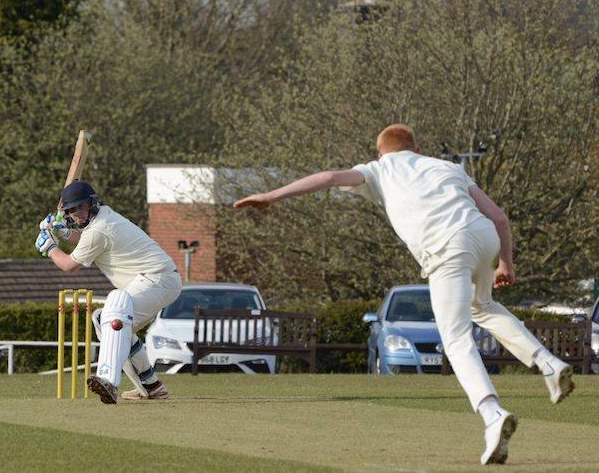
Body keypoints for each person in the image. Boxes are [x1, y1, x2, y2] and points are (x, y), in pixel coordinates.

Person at [234, 124, 574, 465]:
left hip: (447, 247)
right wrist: (505, 263)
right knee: (483, 306)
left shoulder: (377, 169)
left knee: (455, 339)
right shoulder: (447, 167)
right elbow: (499, 216)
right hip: (484, 235)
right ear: (417, 148)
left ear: (380, 152)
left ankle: (492, 414)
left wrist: (271, 196)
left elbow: (328, 177)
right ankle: (548, 363)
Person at [36, 181, 182, 404]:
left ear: (92, 203)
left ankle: (108, 380)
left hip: (158, 278)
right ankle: (151, 385)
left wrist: (49, 247)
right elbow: (88, 239)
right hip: (155, 279)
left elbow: (69, 265)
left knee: (114, 314)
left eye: (81, 207)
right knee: (104, 320)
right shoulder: (103, 217)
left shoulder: (98, 229)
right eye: (72, 210)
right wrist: (63, 233)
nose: (77, 214)